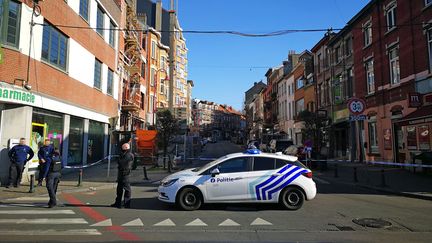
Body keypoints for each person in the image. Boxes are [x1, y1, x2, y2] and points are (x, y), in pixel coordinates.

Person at [111, 143, 134, 209]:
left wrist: (119, 158)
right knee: (119, 189)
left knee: (127, 189)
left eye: (122, 148)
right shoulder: (125, 154)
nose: (121, 150)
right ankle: (118, 203)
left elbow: (122, 163)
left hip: (125, 174)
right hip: (121, 174)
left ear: (125, 148)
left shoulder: (128, 155)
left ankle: (127, 204)